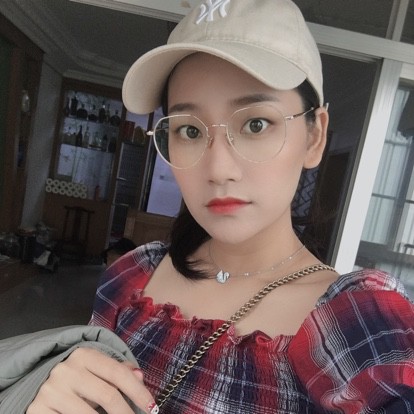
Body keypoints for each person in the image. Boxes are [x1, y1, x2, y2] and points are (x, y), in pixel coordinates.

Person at [3, 0, 413, 413]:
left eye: (255, 124)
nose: (218, 169)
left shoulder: (355, 324)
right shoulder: (133, 274)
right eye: (189, 130)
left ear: (314, 136)